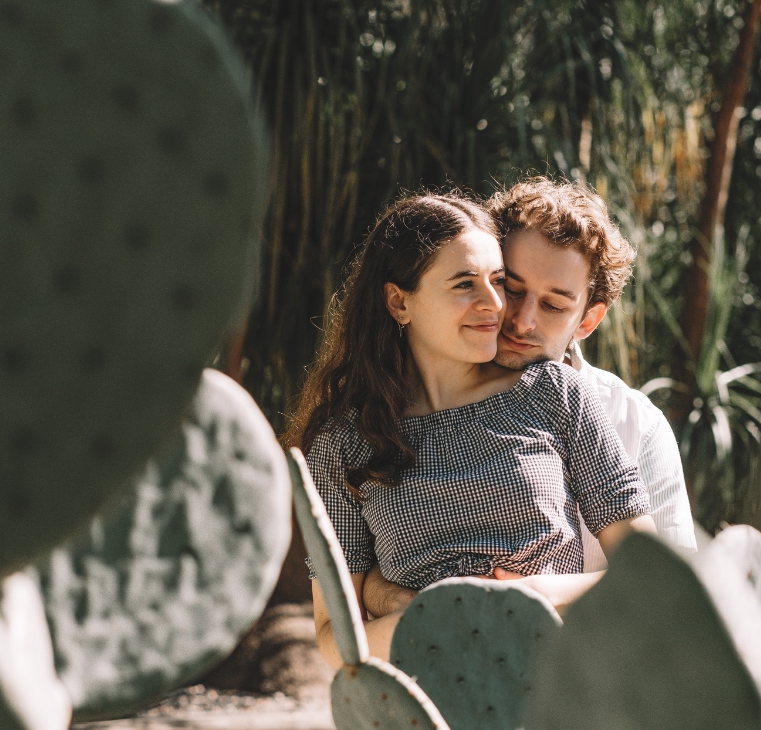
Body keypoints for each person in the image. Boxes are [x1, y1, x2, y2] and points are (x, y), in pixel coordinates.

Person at [285, 191, 654, 669]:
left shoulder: (554, 391)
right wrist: (437, 619)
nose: (496, 305)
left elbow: (646, 570)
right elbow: (334, 634)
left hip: (554, 689)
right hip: (428, 701)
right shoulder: (343, 443)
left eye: (497, 281)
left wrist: (534, 596)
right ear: (399, 302)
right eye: (465, 284)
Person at [361, 178, 696, 624]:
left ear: (588, 321)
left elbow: (670, 590)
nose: (520, 320)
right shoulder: (383, 419)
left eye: (554, 306)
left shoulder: (636, 424)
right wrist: (388, 594)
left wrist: (536, 595)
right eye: (511, 289)